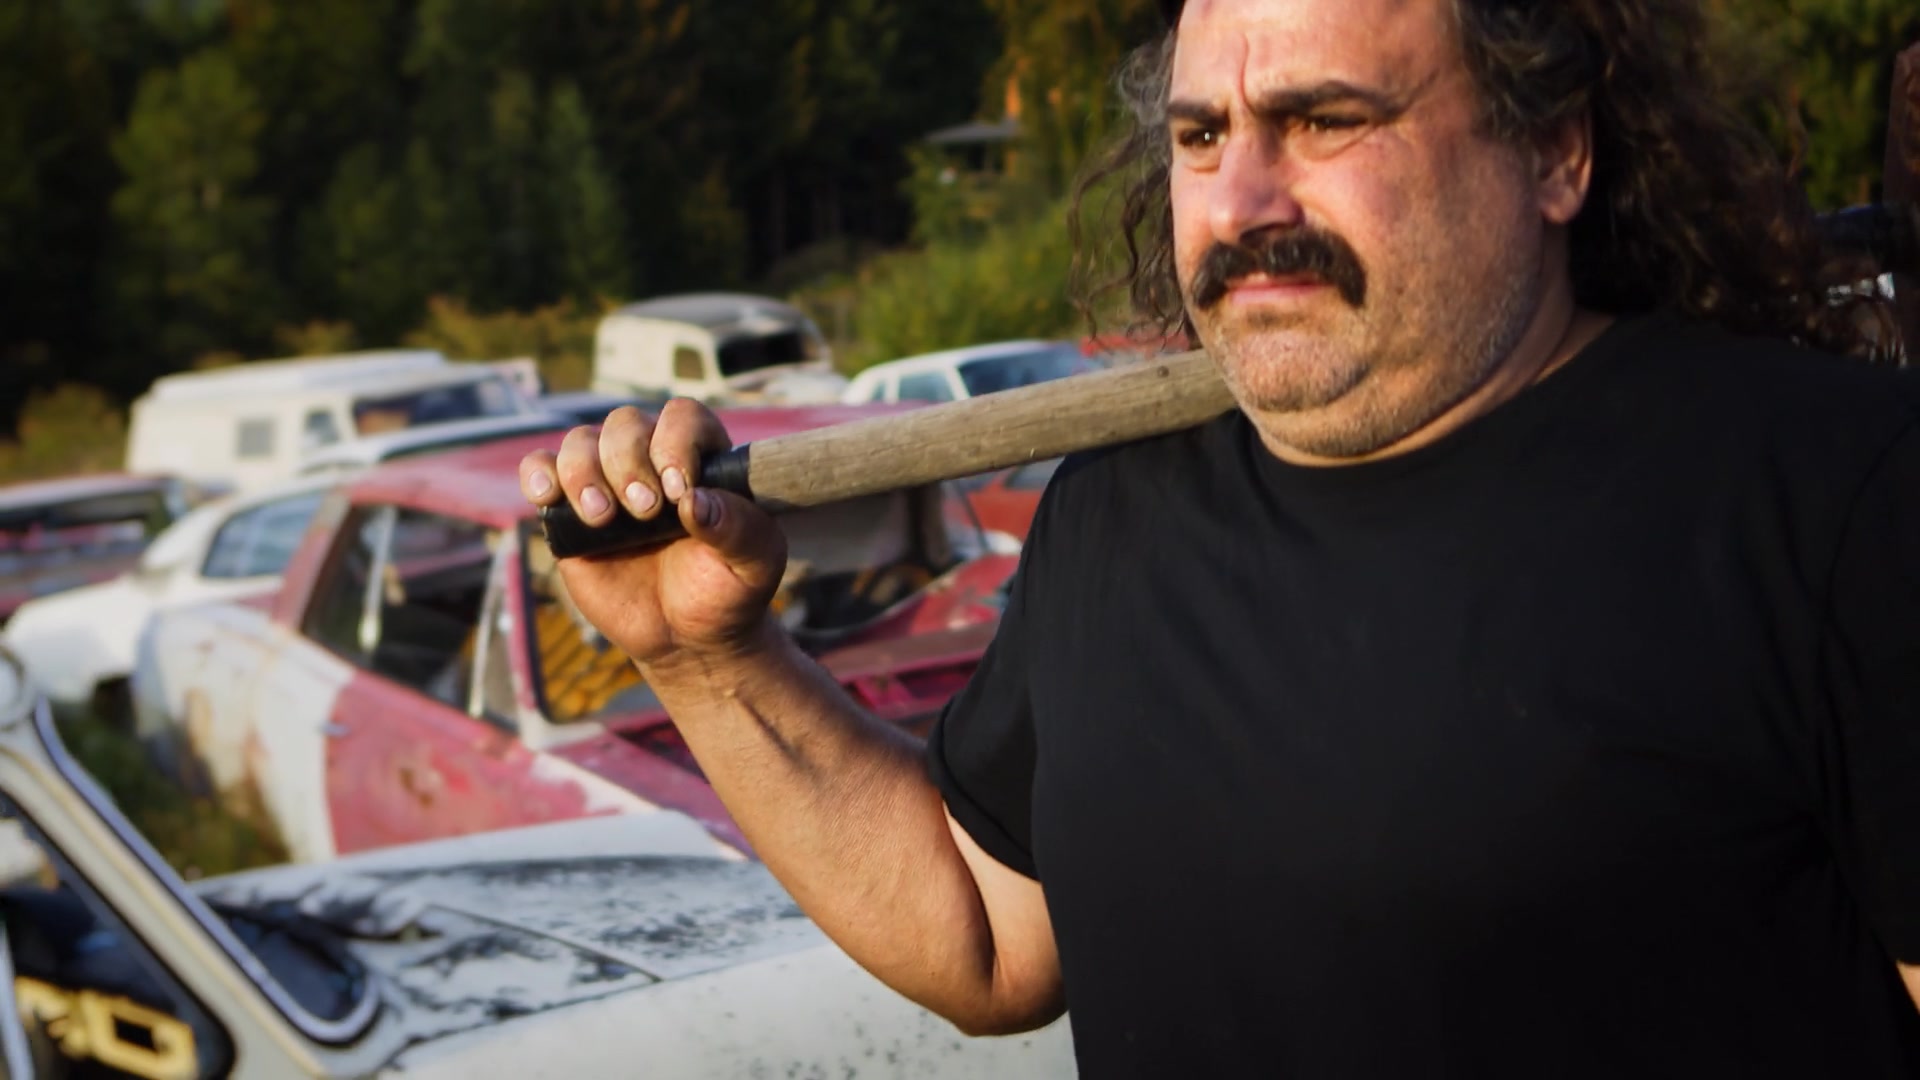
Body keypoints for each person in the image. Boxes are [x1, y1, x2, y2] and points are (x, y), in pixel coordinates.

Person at [521, 0, 1920, 1074]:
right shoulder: (1119, 513)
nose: (1244, 206)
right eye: (1201, 138)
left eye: (1324, 121)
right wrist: (707, 657)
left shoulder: (1838, 494)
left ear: (1555, 150)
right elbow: (986, 933)